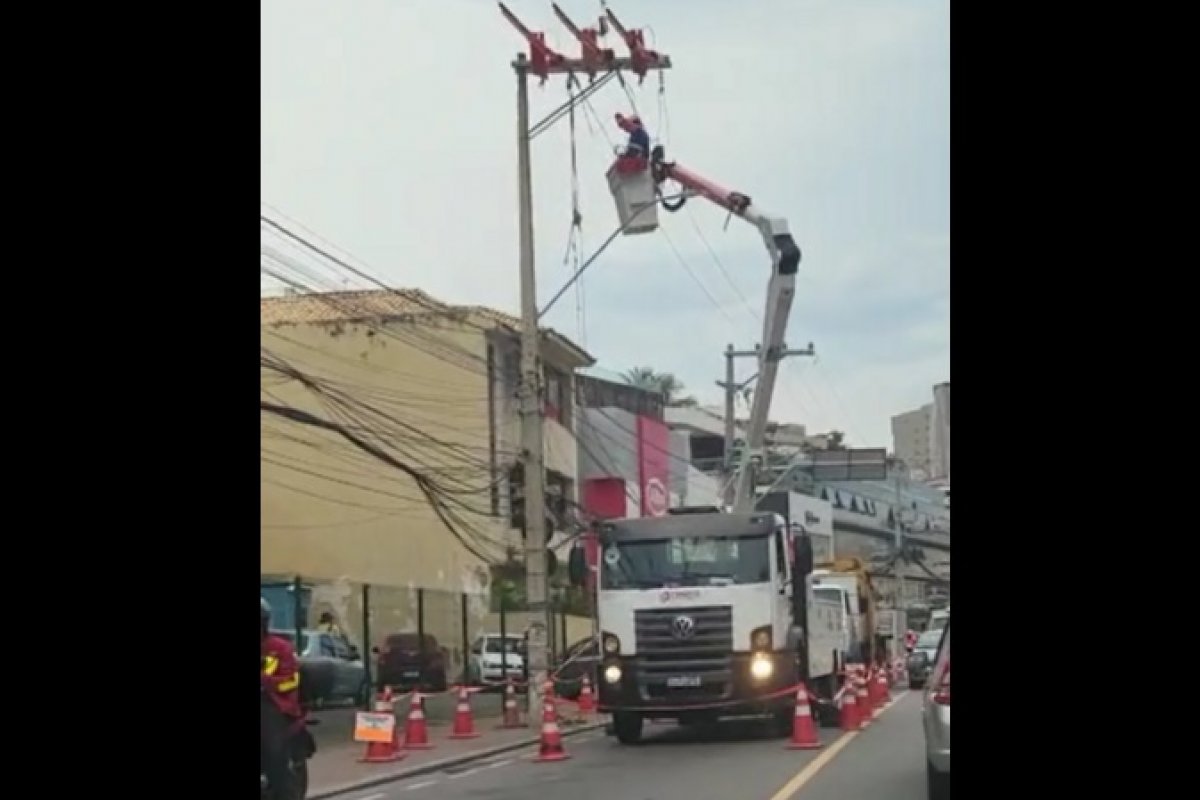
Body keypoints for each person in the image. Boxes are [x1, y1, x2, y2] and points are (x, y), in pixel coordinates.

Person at [262, 598, 302, 800]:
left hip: (275, 704)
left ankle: (285, 793)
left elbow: (291, 680)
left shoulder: (280, 648)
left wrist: (267, 683)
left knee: (273, 751)